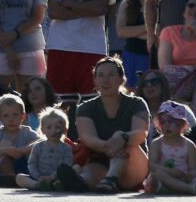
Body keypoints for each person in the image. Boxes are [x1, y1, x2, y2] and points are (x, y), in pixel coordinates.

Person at [58, 57, 150, 194]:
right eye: (101, 76)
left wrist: (122, 138)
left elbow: (141, 133)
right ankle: (82, 181)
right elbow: (88, 138)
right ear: (95, 80)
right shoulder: (85, 108)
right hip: (102, 160)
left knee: (124, 142)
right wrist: (109, 146)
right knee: (91, 169)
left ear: (121, 79)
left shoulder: (137, 103)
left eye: (111, 75)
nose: (105, 81)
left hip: (134, 165)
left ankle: (111, 179)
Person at [144, 99, 196, 195]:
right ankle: (189, 189)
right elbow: (152, 165)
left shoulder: (189, 145)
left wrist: (191, 174)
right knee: (157, 175)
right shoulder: (157, 143)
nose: (167, 126)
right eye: (163, 122)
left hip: (183, 177)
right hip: (164, 179)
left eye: (170, 122)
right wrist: (170, 171)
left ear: (182, 124)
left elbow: (193, 167)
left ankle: (191, 186)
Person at [0, 92, 40, 187]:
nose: (11, 119)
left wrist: (23, 150)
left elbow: (41, 141)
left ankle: (33, 183)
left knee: (35, 145)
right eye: (6, 116)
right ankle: (8, 176)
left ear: (22, 116)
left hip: (22, 169)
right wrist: (4, 150)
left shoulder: (26, 131)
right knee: (5, 143)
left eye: (15, 115)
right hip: (0, 172)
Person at [16, 107, 74, 190]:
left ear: (64, 130)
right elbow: (32, 164)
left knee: (70, 176)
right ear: (42, 130)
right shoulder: (38, 146)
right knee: (19, 177)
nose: (53, 131)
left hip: (58, 177)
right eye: (49, 127)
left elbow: (67, 165)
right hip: (39, 178)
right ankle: (38, 185)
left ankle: (57, 185)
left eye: (57, 127)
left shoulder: (66, 148)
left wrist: (53, 176)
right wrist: (38, 176)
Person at [116, 0, 152, 87]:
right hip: (131, 56)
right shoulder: (126, 4)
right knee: (129, 90)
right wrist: (149, 27)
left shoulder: (160, 5)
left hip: (153, 57)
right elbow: (120, 31)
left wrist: (132, 32)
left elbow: (159, 32)